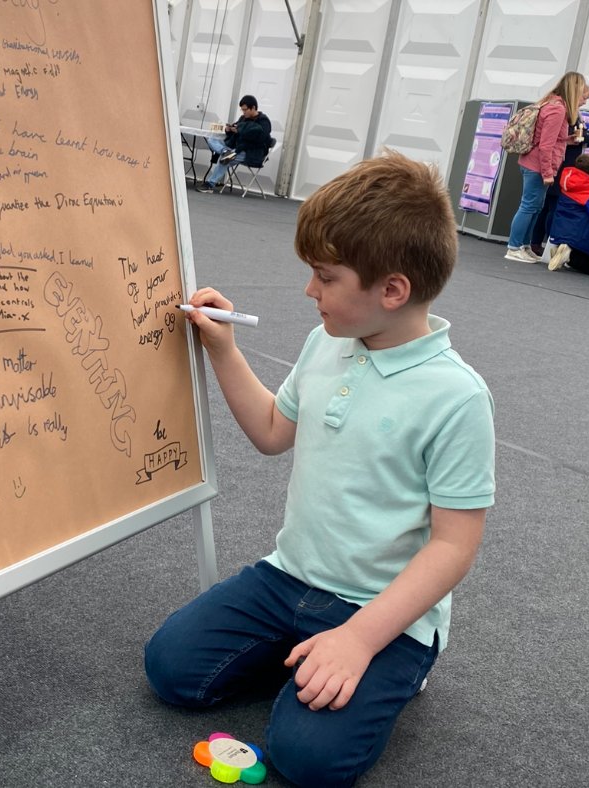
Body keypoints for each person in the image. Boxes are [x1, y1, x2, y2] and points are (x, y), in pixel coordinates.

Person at [146, 150, 496, 786]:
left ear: (393, 290)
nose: (310, 291)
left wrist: (360, 640)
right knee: (171, 669)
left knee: (308, 759)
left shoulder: (458, 397)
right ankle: (311, 654)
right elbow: (273, 433)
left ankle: (387, 666)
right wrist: (224, 351)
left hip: (386, 611)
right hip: (289, 578)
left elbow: (453, 548)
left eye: (325, 277)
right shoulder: (326, 343)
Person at [505, 71, 589, 263]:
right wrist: (547, 173)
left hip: (533, 164)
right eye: (582, 93)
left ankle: (523, 246)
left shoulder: (552, 104)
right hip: (537, 167)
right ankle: (514, 246)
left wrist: (568, 140)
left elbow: (552, 140)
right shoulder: (558, 110)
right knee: (529, 206)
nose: (583, 100)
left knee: (535, 207)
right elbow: (546, 145)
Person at [529, 85, 589, 256]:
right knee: (549, 207)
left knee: (548, 207)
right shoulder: (564, 112)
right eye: (584, 97)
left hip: (565, 164)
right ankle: (542, 243)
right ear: (575, 95)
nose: (585, 102)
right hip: (561, 166)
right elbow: (567, 138)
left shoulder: (574, 113)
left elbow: (575, 138)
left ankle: (540, 242)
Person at [196, 94, 272, 194]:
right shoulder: (243, 118)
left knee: (226, 159)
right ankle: (224, 151)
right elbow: (236, 129)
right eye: (242, 110)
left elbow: (261, 139)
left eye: (245, 110)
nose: (243, 112)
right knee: (212, 139)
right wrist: (229, 130)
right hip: (235, 148)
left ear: (253, 108)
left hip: (251, 152)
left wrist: (240, 132)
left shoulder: (263, 121)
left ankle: (210, 184)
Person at [546, 153, 589, 276]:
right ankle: (569, 256)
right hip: (579, 236)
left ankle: (561, 250)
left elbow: (586, 177)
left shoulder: (566, 179)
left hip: (559, 232)